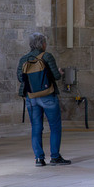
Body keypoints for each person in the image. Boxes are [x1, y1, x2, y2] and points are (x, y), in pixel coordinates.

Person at [17, 33, 71, 166]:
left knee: (36, 127)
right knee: (55, 127)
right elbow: (57, 76)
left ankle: (39, 158)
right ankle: (55, 156)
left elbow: (20, 78)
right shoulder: (47, 56)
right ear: (43, 44)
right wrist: (58, 71)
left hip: (32, 97)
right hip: (47, 96)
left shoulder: (24, 59)